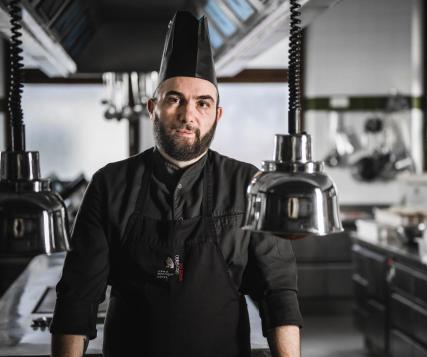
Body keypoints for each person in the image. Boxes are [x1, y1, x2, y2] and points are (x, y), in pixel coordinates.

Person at [50, 11, 302, 357]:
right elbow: (77, 297)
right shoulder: (110, 184)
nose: (188, 115)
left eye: (203, 103)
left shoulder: (250, 184)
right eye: (175, 99)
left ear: (217, 114)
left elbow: (279, 292)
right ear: (153, 108)